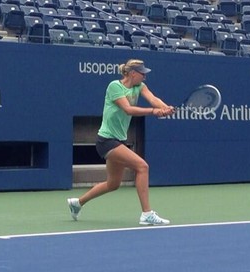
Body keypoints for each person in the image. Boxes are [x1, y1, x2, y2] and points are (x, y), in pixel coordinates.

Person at [67, 59, 175, 225]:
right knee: (142, 167)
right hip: (106, 140)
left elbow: (154, 99)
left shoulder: (140, 87)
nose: (145, 77)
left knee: (113, 184)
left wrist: (165, 107)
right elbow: (128, 109)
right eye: (142, 73)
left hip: (118, 140)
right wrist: (154, 111)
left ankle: (77, 203)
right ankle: (147, 214)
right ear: (132, 73)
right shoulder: (114, 86)